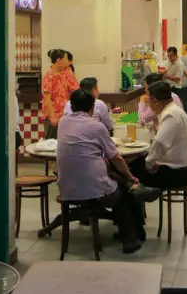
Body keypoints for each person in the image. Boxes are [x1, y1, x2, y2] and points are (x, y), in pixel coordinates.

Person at [56, 89, 154, 254]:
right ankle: (131, 238)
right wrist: (130, 176)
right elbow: (116, 157)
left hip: (66, 187)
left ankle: (130, 232)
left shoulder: (62, 122)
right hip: (94, 188)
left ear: (71, 106)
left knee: (117, 181)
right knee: (123, 190)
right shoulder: (96, 126)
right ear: (92, 107)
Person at [130, 81, 187, 188]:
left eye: (149, 100)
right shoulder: (174, 110)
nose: (149, 104)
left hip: (181, 172)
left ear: (155, 101)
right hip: (183, 167)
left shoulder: (170, 114)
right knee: (138, 162)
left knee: (133, 169)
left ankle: (139, 197)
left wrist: (149, 164)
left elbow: (159, 142)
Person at [40, 49, 79, 139]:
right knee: (51, 144)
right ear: (58, 61)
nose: (68, 62)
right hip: (53, 118)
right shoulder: (48, 76)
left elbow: (75, 92)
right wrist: (52, 117)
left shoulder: (68, 73)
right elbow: (47, 99)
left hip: (66, 117)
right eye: (65, 59)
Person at [162, 47, 187, 117]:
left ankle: (185, 119)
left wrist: (166, 75)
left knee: (180, 105)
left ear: (175, 54)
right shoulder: (167, 62)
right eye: (168, 56)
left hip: (176, 88)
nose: (169, 58)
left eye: (171, 56)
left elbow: (177, 78)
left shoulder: (180, 64)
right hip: (167, 87)